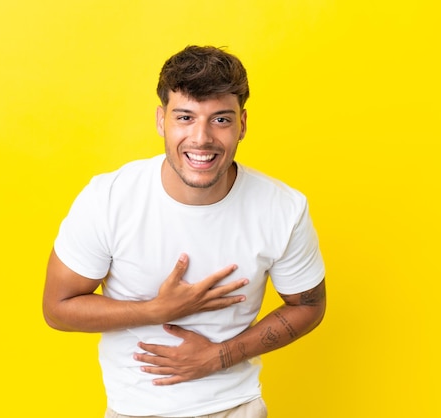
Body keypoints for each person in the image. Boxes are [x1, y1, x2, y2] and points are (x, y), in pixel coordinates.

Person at [43, 45, 326, 418]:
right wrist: (158, 310)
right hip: (134, 411)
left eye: (220, 120)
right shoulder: (109, 198)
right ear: (162, 120)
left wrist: (217, 357)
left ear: (242, 123)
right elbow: (57, 308)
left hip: (235, 408)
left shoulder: (282, 208)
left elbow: (308, 305)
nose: (201, 138)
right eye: (185, 117)